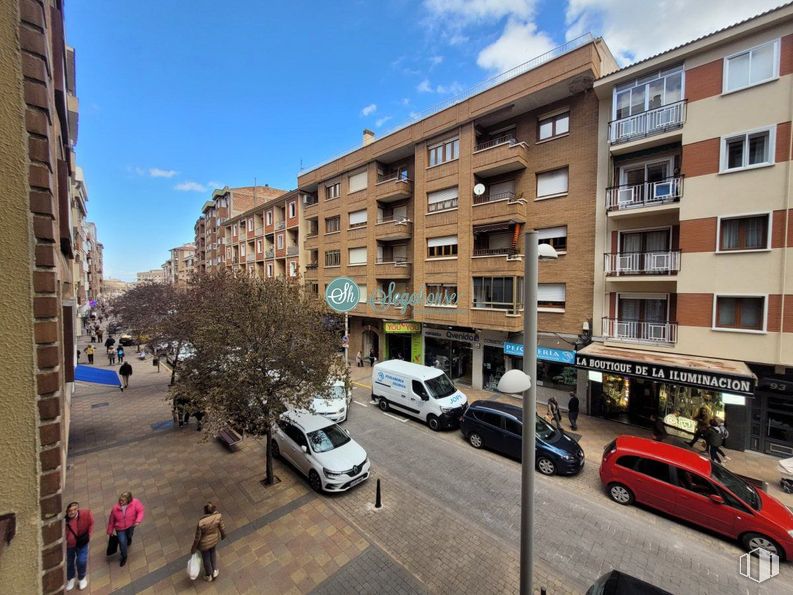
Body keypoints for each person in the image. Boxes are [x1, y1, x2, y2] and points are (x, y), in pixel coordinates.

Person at [190, 502, 227, 582]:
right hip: (214, 540)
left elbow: (197, 537)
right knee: (213, 553)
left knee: (206, 558)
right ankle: (214, 571)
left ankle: (208, 575)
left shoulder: (201, 523)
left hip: (204, 544)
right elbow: (222, 527)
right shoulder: (218, 517)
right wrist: (223, 535)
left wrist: (194, 548)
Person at [106, 491, 144, 567]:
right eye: (120, 500)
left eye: (123, 501)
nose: (120, 502)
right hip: (120, 529)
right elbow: (111, 520)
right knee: (122, 542)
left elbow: (141, 510)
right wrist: (110, 530)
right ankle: (124, 556)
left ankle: (129, 539)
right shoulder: (115, 508)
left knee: (129, 535)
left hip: (131, 525)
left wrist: (138, 521)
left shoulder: (135, 503)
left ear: (128, 500)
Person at [65, 501, 94, 591]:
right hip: (70, 545)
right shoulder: (64, 521)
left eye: (75, 509)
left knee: (81, 561)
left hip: (82, 542)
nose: (72, 512)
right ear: (67, 511)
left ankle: (82, 578)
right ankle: (71, 578)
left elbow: (91, 523)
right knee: (70, 562)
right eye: (70, 510)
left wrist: (89, 535)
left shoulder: (86, 513)